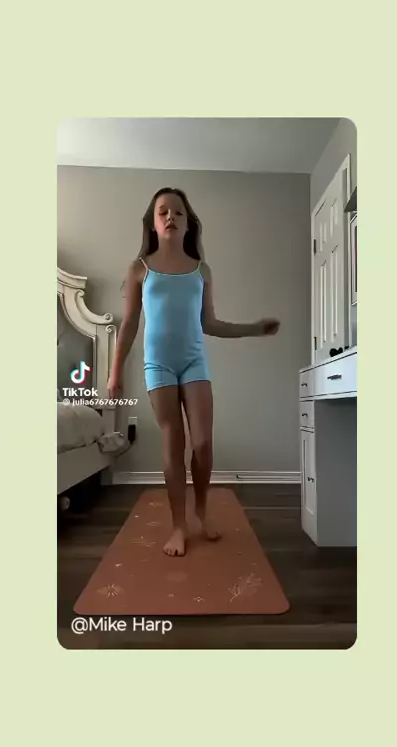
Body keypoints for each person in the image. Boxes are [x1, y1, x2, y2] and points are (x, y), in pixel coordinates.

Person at [107, 188, 280, 557]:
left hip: (194, 362)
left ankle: (200, 510)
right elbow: (129, 324)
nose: (171, 217)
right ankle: (178, 525)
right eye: (163, 212)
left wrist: (254, 328)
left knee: (202, 443)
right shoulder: (140, 269)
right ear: (153, 223)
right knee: (174, 442)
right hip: (158, 365)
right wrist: (115, 372)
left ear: (188, 223)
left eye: (178, 212)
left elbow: (210, 323)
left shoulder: (201, 271)